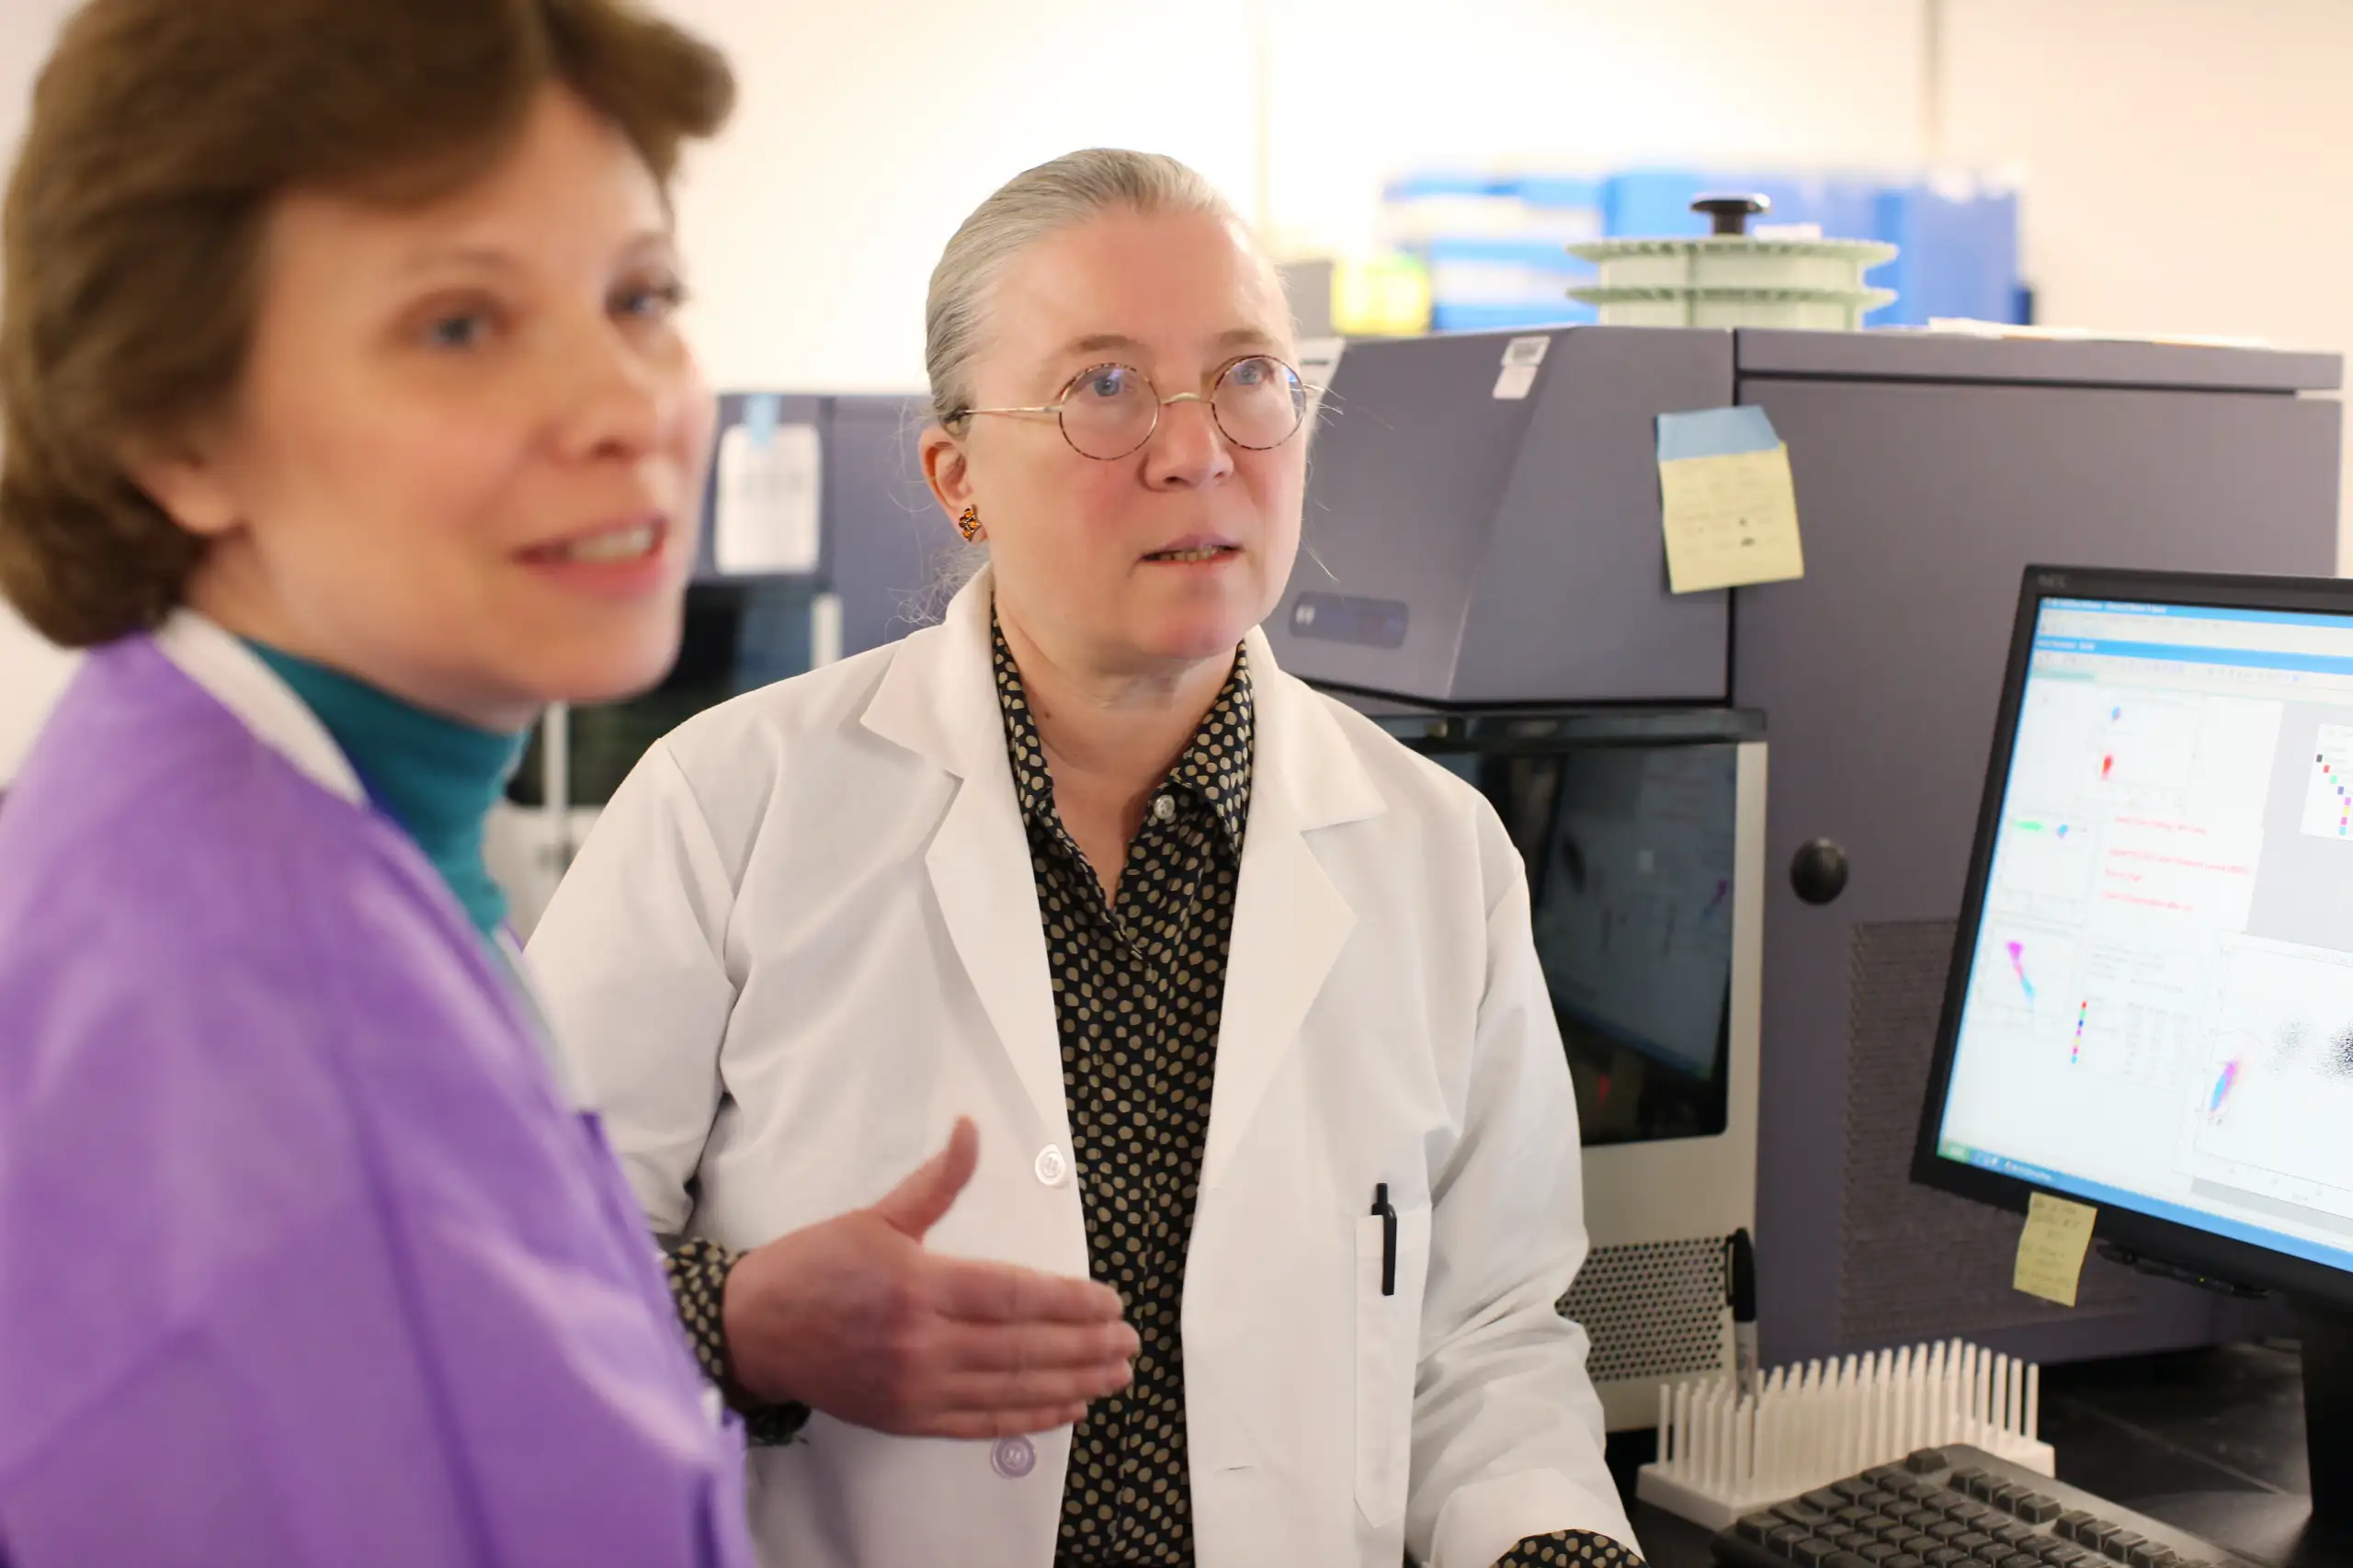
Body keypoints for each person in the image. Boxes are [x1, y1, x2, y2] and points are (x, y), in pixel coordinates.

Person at [527, 149, 1643, 1568]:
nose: (1197, 449)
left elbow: (1486, 1347)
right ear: (958, 476)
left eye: (1248, 374)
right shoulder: (726, 808)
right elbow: (502, 1283)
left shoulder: (1434, 853)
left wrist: (1551, 1542)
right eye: (1103, 388)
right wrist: (739, 1327)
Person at [0, 2, 766, 1562]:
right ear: (173, 424)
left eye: (642, 294)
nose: (625, 404)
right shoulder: (273, 1030)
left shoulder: (226, 794)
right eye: (460, 325)